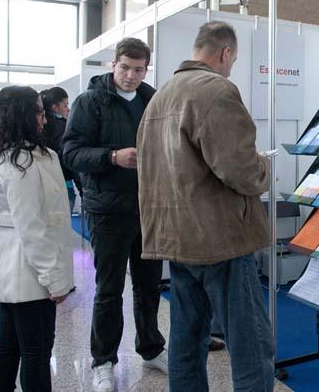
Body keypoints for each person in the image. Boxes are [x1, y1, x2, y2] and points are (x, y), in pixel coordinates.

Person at [137, 21, 275, 392]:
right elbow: (239, 169)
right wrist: (264, 167)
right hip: (220, 239)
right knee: (251, 344)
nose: (231, 68)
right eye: (233, 60)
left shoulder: (160, 97)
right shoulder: (217, 90)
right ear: (225, 53)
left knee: (187, 338)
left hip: (177, 238)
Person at [62, 37, 167, 392]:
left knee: (149, 285)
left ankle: (151, 348)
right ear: (113, 65)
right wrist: (111, 157)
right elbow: (70, 152)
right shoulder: (90, 101)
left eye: (138, 69)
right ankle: (103, 360)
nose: (131, 76)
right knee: (109, 289)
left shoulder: (153, 101)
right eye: (125, 68)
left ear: (146, 69)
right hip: (108, 209)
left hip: (148, 208)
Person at [0, 86, 74, 391]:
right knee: (36, 352)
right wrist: (54, 280)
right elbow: (32, 228)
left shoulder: (8, 155)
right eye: (39, 112)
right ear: (20, 115)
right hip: (28, 271)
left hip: (16, 267)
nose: (44, 118)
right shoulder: (20, 162)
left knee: (10, 346)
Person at [41, 86, 80, 215]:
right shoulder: (61, 127)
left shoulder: (39, 128)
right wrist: (82, 186)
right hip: (63, 184)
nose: (68, 109)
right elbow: (68, 157)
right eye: (65, 105)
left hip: (43, 184)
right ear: (55, 107)